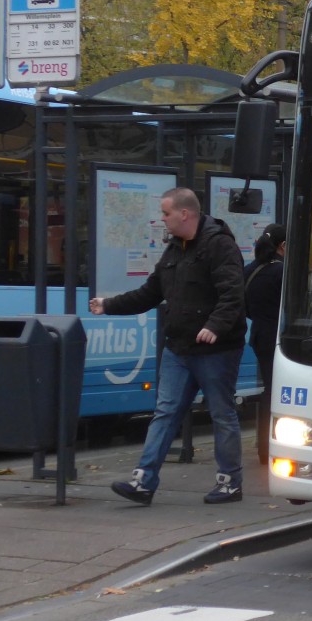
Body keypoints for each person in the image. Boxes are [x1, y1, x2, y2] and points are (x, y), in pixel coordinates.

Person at [90, 187, 247, 506]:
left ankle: (230, 482)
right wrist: (108, 305)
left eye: (165, 213)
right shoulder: (174, 249)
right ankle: (143, 482)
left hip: (216, 350)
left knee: (221, 414)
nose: (161, 219)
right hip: (178, 347)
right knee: (165, 412)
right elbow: (150, 293)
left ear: (184, 214)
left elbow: (233, 293)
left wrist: (214, 326)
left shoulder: (220, 245)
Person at [244, 223, 285, 464]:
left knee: (269, 390)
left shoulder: (250, 270)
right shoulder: (282, 272)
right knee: (281, 392)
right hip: (280, 339)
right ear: (283, 246)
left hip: (259, 335)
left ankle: (264, 447)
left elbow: (245, 306)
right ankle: (278, 444)